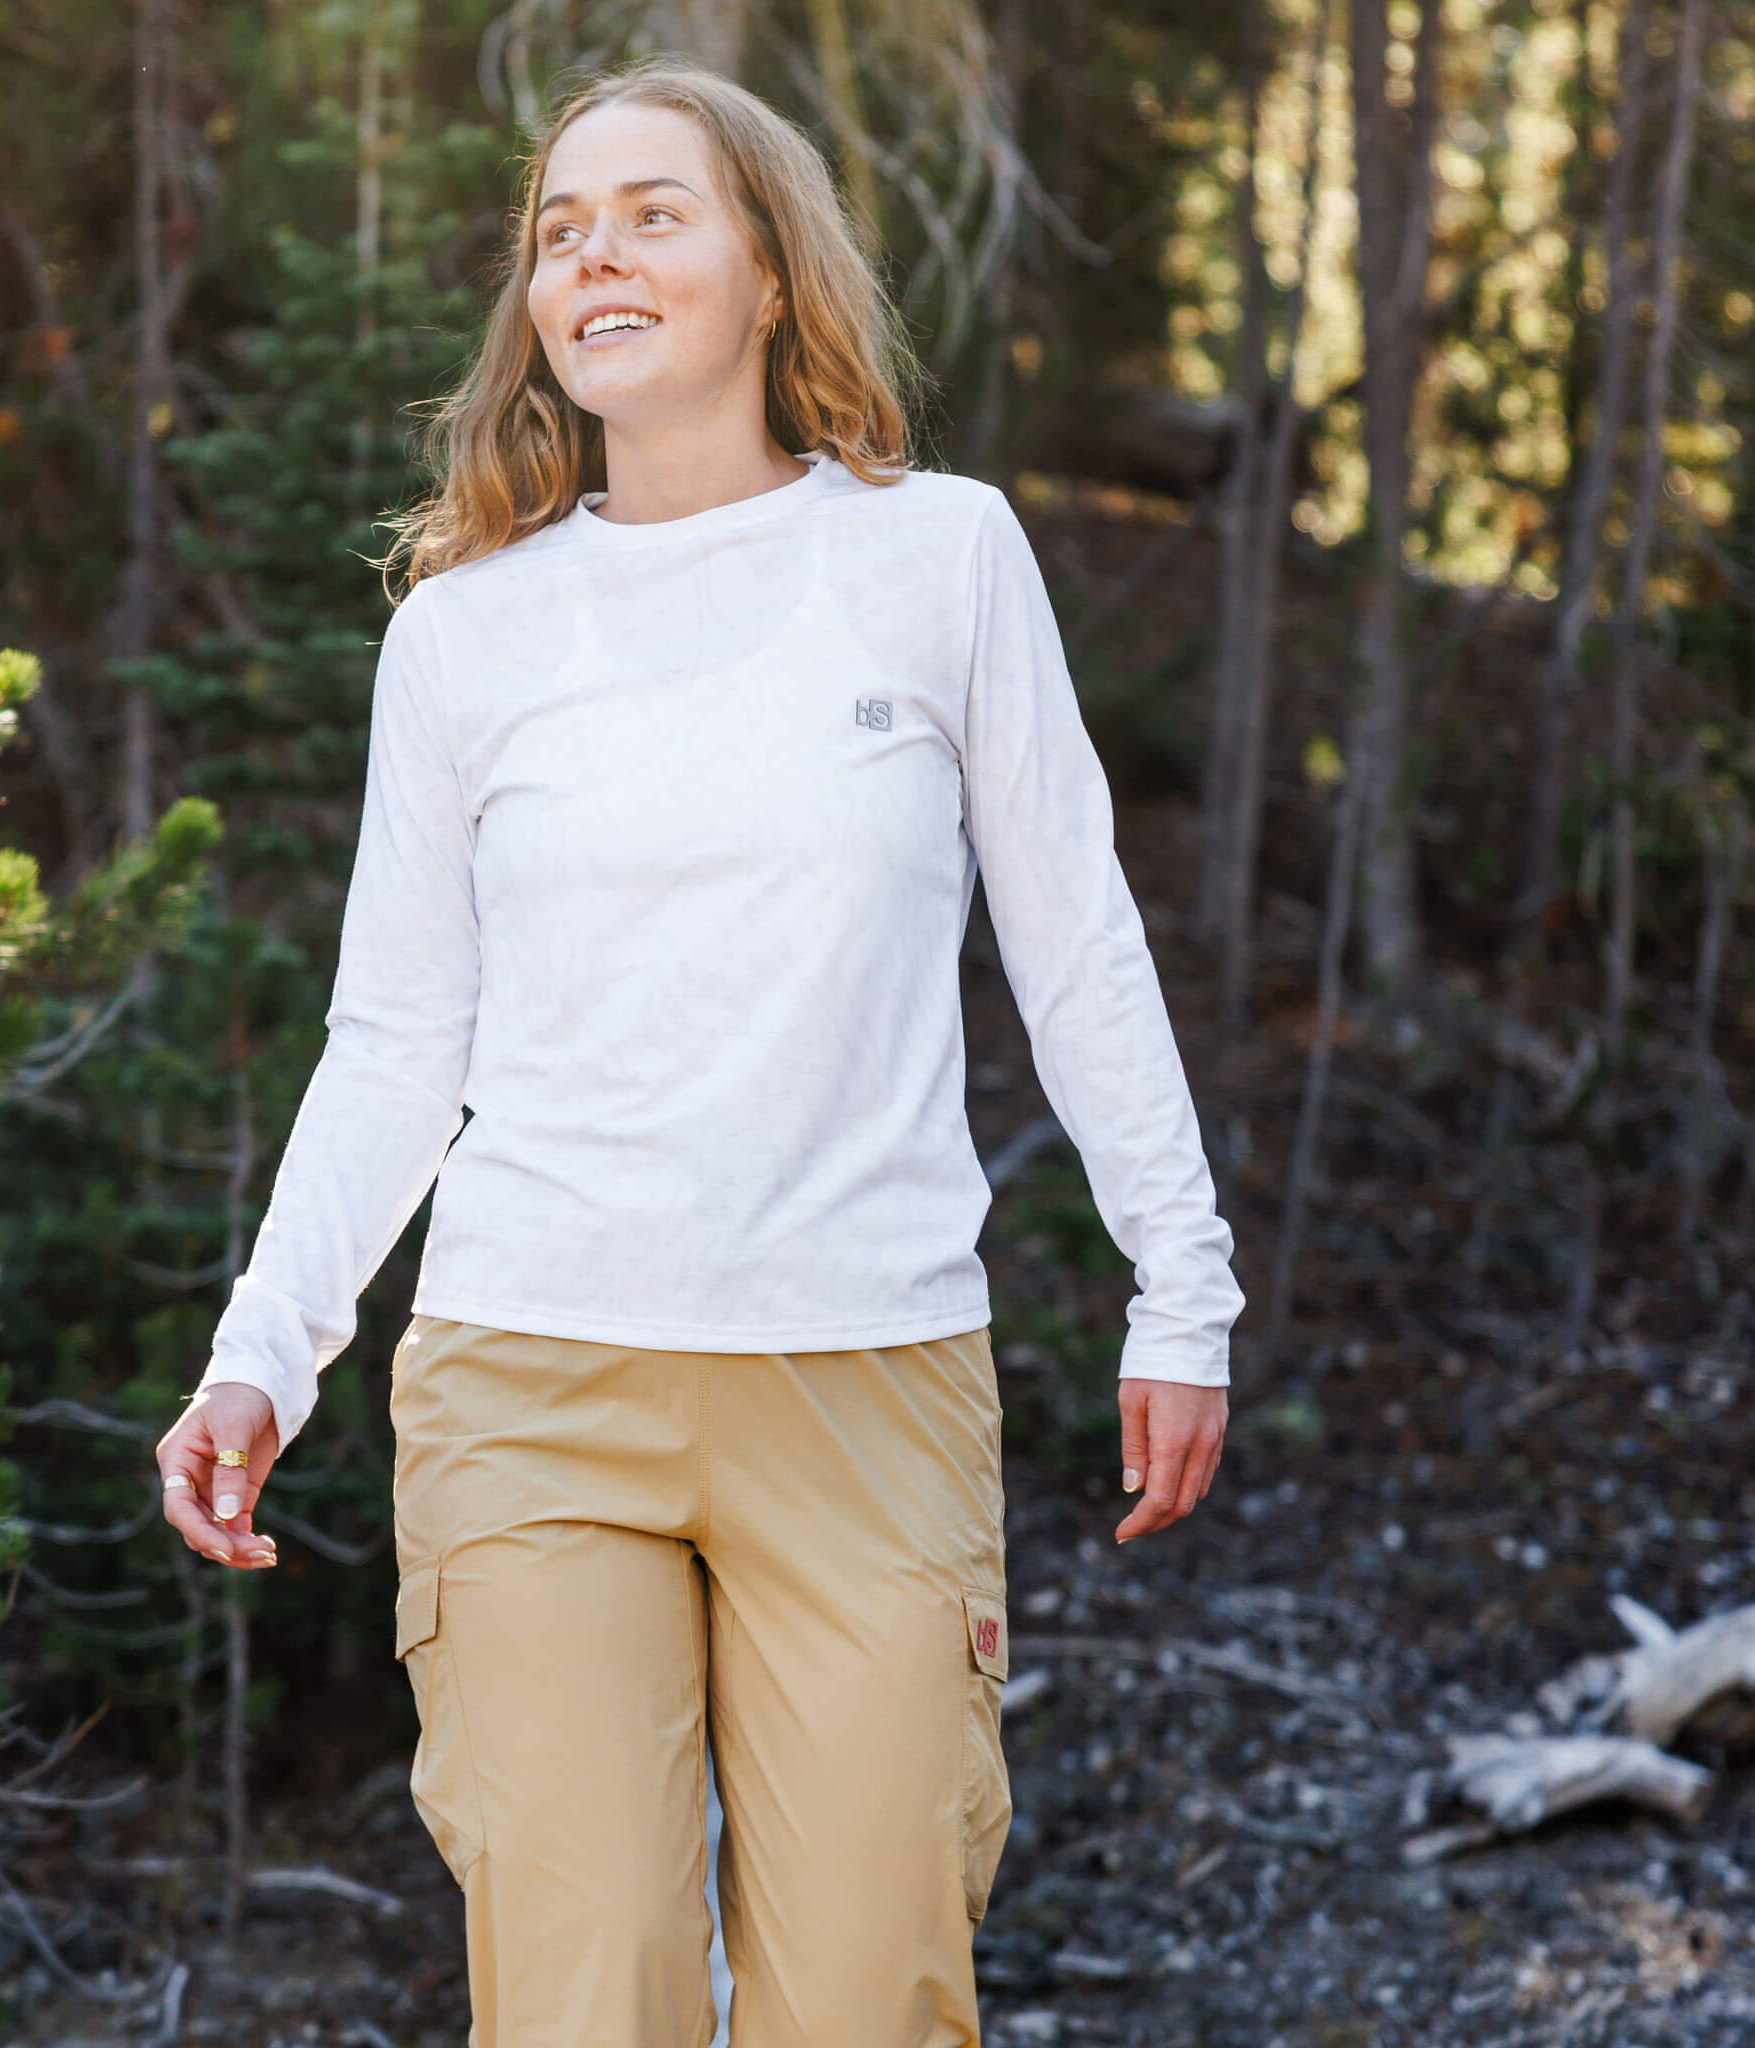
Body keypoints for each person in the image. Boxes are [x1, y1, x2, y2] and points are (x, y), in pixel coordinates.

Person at [154, 52, 1244, 2048]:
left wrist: (1185, 1287)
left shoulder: (943, 559)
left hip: (865, 1377)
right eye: (560, 231)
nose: (594, 255)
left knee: (868, 2003)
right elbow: (399, 1034)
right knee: (591, 2003)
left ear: (768, 272)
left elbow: (1075, 945)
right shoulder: (465, 630)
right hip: (528, 1376)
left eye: (651, 211)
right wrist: (263, 1343)